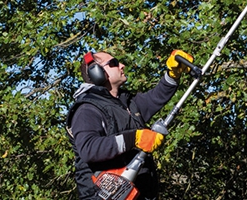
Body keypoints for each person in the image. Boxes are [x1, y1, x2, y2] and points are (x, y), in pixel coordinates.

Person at [66, 50, 193, 200]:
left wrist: (172, 75)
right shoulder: (87, 109)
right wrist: (134, 138)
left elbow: (156, 97)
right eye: (114, 63)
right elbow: (89, 148)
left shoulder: (127, 103)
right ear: (96, 72)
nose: (122, 65)